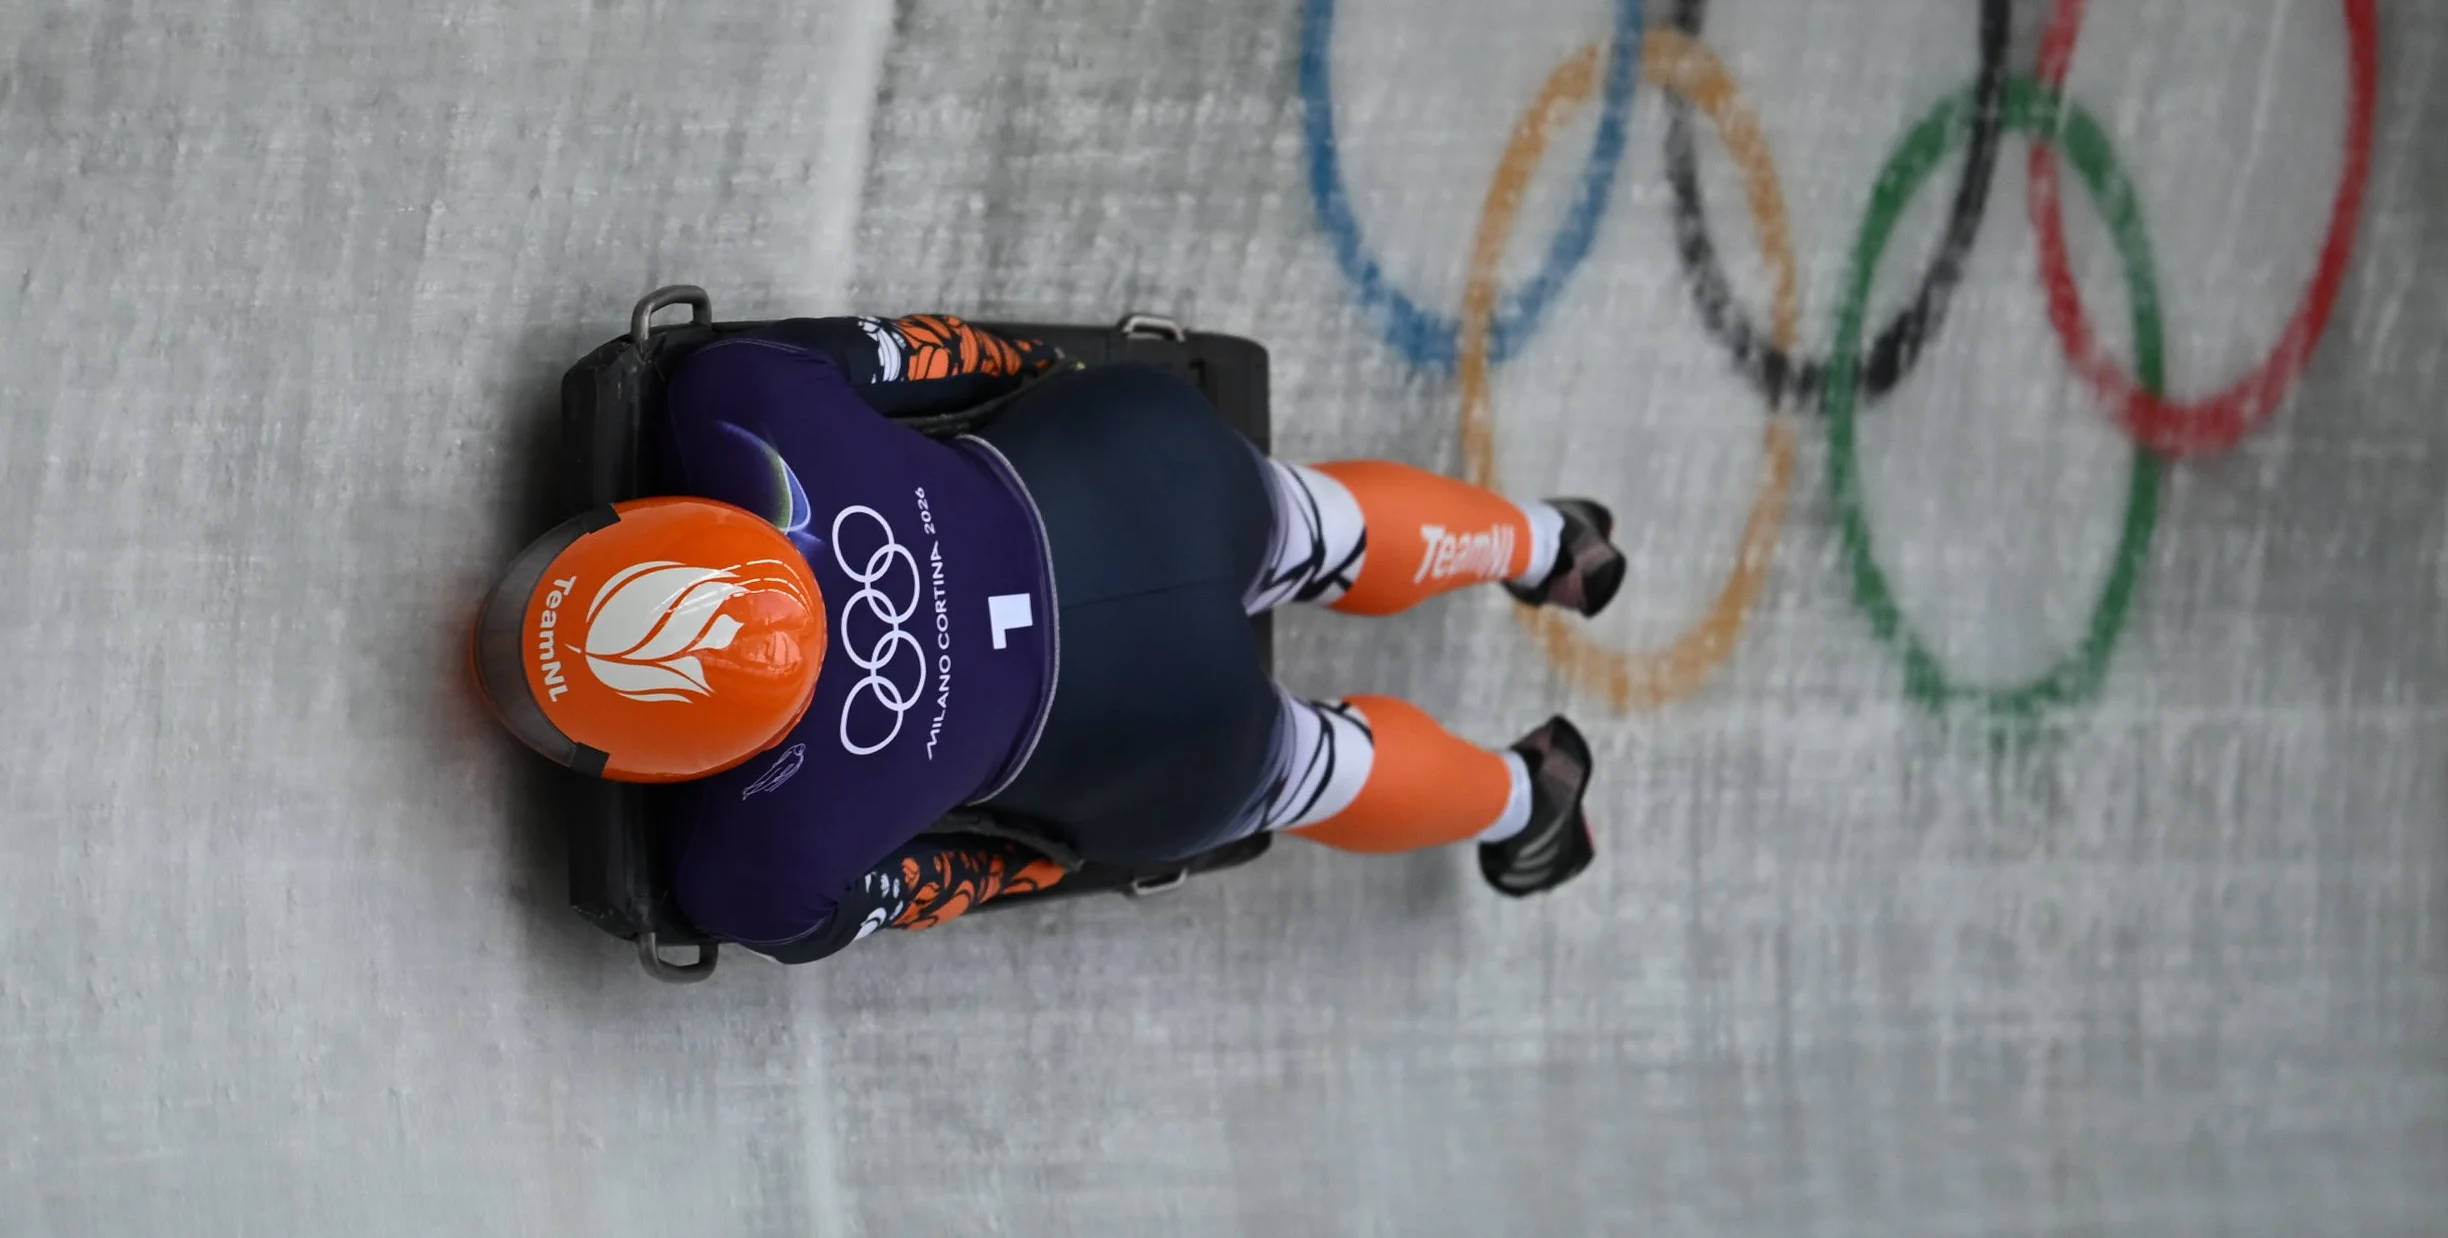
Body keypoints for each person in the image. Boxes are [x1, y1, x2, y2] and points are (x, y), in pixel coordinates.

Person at [478, 313, 1623, 964]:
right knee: (1305, 520)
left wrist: (1042, 852)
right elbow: (940, 354)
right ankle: (1545, 539)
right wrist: (1054, 384)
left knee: (1315, 766)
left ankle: (1530, 797)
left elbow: (936, 880)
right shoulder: (731, 399)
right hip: (1140, 468)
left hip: (1167, 749)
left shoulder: (757, 865)